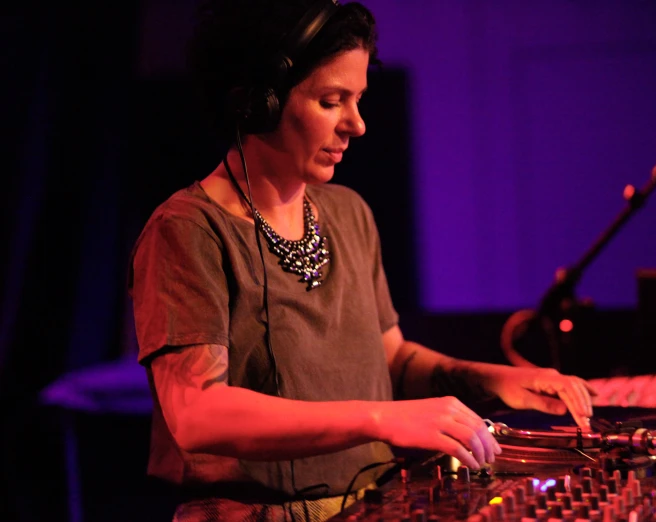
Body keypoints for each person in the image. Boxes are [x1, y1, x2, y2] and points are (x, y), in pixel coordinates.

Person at [128, 1, 597, 520]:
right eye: (332, 101)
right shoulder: (187, 230)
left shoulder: (349, 214)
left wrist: (495, 381)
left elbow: (390, 359)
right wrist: (380, 419)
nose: (357, 124)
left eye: (358, 100)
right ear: (258, 104)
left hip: (374, 505)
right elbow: (198, 414)